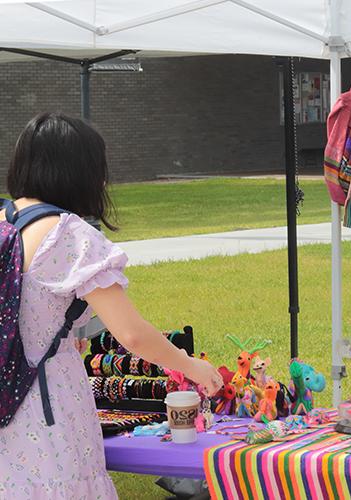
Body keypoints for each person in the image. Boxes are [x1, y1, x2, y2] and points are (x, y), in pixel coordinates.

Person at [0, 113, 223, 498]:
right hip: (47, 405)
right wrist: (190, 366)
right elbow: (133, 335)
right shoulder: (68, 234)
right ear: (79, 171)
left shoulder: (3, 221)